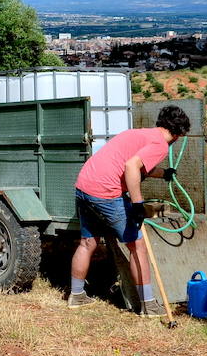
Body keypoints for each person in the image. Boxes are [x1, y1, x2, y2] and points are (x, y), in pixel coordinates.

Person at [68, 105, 192, 316]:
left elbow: (134, 164)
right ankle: (148, 305)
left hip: (84, 186)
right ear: (178, 134)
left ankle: (77, 295)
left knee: (88, 242)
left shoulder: (139, 133)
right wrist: (137, 204)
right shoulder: (161, 144)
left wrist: (163, 173)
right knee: (138, 246)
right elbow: (132, 166)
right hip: (105, 192)